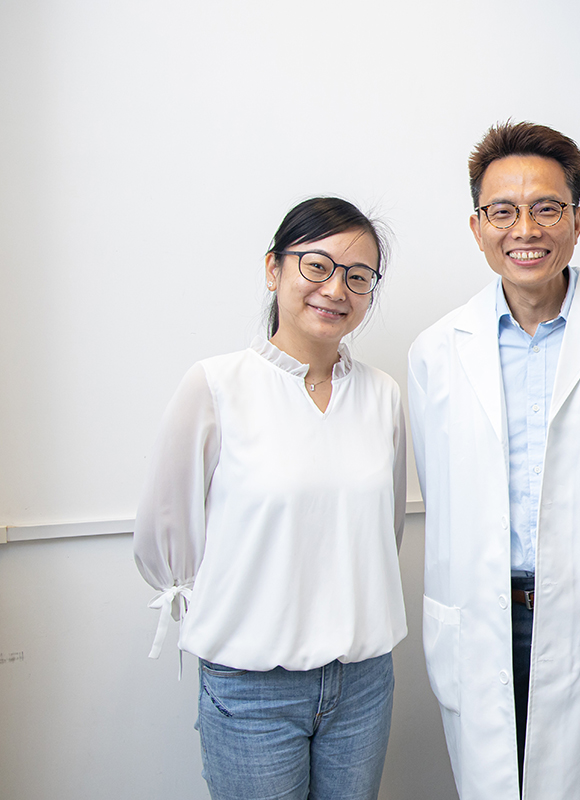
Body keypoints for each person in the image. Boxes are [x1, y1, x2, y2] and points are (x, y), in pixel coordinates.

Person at [408, 121, 580, 800]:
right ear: (477, 227)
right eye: (503, 211)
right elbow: (442, 491)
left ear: (577, 221)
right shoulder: (437, 351)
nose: (524, 228)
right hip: (482, 615)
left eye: (546, 208)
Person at [134, 197, 407, 800]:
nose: (336, 289)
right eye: (317, 265)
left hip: (361, 684)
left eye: (358, 276)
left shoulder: (382, 396)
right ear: (273, 269)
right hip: (252, 687)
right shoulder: (216, 384)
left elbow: (383, 534)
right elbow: (164, 531)